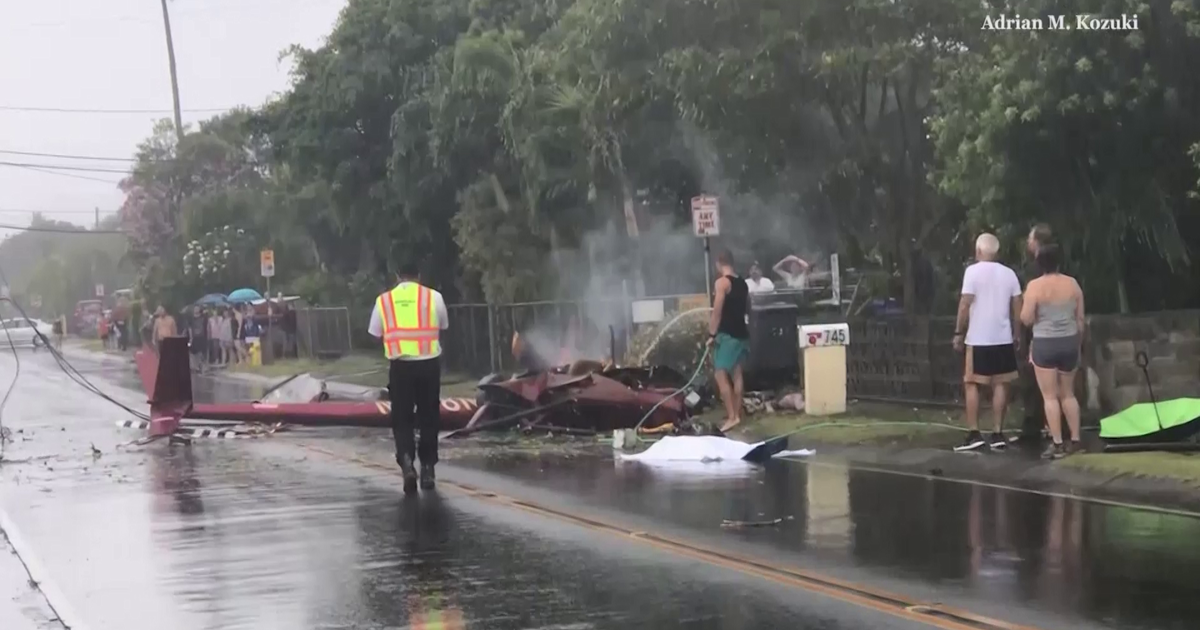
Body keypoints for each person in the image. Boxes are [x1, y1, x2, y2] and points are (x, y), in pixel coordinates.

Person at [368, 262, 449, 493]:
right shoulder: (434, 297)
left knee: (402, 418)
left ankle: (406, 464)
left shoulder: (384, 301)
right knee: (429, 417)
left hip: (400, 366)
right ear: (419, 275)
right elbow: (443, 325)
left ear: (397, 275)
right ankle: (427, 468)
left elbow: (374, 333)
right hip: (429, 364)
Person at [953, 233, 1022, 452]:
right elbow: (1018, 307)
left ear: (978, 251)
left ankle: (974, 433)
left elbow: (965, 303)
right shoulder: (1009, 274)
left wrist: (958, 332)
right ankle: (997, 432)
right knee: (1001, 384)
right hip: (1003, 338)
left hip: (978, 337)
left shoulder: (972, 272)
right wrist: (1017, 333)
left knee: (972, 383)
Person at [1021, 244, 1085, 459]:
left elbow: (1026, 318)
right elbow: (1081, 319)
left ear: (1039, 264)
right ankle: (1075, 440)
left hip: (1045, 343)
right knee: (1068, 393)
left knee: (1050, 396)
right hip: (1069, 341)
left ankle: (1057, 443)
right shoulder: (1073, 284)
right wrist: (1078, 342)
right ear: (1059, 262)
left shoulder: (1034, 287)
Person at [707, 249, 751, 433]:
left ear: (719, 263)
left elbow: (717, 311)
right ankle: (737, 414)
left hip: (727, 335)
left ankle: (732, 416)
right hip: (742, 334)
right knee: (737, 373)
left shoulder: (722, 283)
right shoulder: (743, 283)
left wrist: (711, 334)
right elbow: (748, 307)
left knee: (720, 373)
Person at [1019, 223, 1054, 440]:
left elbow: (1026, 311)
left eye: (1030, 238)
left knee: (1034, 383)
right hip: (1058, 330)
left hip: (1038, 330)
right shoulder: (1059, 269)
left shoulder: (1035, 271)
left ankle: (1034, 427)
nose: (1027, 242)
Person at [188, 306, 207, 371]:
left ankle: (201, 366)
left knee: (201, 352)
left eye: (197, 308)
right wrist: (190, 338)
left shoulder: (203, 318)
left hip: (202, 337)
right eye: (195, 308)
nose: (196, 310)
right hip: (194, 338)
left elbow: (206, 327)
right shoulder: (191, 319)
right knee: (193, 352)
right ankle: (195, 366)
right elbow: (189, 328)